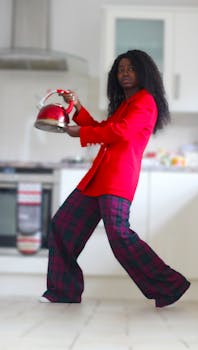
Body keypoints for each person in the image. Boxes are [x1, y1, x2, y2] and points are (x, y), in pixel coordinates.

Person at [40, 49, 190, 307]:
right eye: (121, 69)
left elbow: (119, 132)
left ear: (143, 72)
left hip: (117, 179)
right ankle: (63, 291)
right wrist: (76, 108)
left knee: (119, 236)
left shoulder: (145, 101)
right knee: (63, 226)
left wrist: (80, 132)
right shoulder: (125, 104)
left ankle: (170, 285)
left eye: (131, 68)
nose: (125, 73)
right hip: (98, 179)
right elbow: (104, 128)